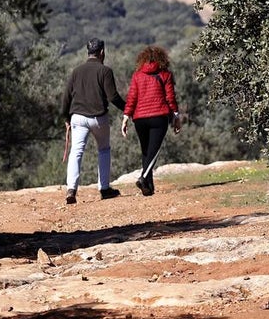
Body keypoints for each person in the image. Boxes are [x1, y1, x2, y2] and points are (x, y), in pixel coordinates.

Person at [60, 38, 126, 204]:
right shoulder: (105, 71)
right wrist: (128, 108)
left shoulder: (76, 71)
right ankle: (104, 189)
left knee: (76, 151)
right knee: (104, 150)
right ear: (102, 52)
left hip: (78, 117)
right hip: (98, 118)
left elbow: (66, 98)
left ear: (88, 52)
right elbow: (113, 97)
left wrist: (66, 118)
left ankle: (71, 190)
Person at [120, 45, 181, 196]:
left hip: (140, 119)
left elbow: (132, 97)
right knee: (153, 152)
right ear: (162, 59)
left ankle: (148, 187)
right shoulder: (165, 74)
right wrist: (176, 116)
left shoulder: (137, 75)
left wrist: (126, 117)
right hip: (159, 118)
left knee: (146, 151)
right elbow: (170, 98)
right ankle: (143, 178)